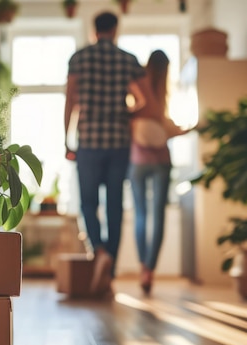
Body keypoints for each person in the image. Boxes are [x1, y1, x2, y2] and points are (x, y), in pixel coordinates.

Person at [64, 11, 146, 297]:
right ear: (115, 29)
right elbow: (143, 99)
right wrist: (125, 111)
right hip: (118, 143)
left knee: (88, 203)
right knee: (114, 206)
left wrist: (66, 140)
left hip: (88, 143)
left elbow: (70, 102)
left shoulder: (79, 59)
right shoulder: (128, 60)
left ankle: (98, 250)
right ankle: (108, 272)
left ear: (94, 29)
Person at [128, 49, 187, 296]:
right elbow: (164, 126)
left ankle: (143, 267)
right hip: (162, 159)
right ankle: (150, 270)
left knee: (141, 215)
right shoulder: (161, 94)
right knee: (158, 216)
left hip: (138, 159)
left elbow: (130, 117)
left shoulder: (137, 86)